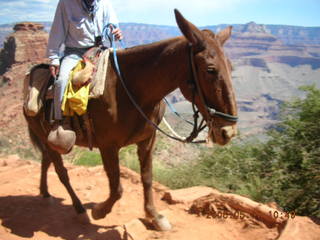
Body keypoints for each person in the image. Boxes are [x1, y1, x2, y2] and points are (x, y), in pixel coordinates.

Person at [47, 0, 123, 125]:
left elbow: (111, 27)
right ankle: (60, 121)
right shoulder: (66, 4)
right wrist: (54, 58)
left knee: (122, 72)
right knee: (61, 81)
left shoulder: (104, 3)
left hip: (100, 50)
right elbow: (57, 31)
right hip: (75, 53)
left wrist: (115, 33)